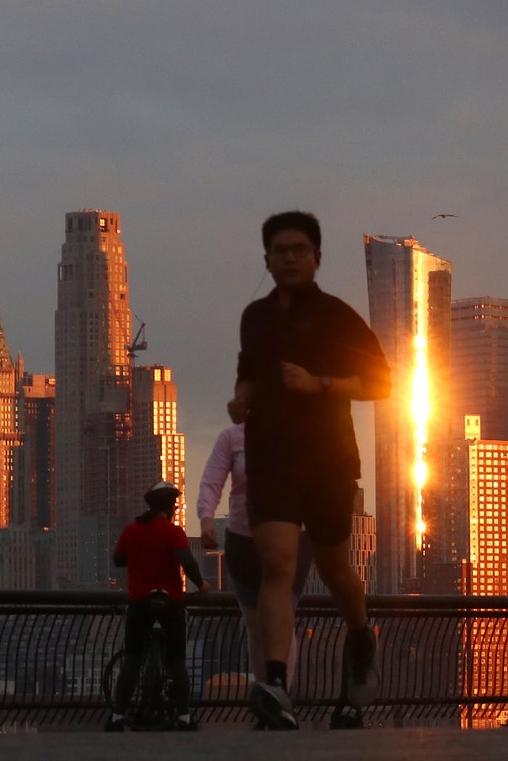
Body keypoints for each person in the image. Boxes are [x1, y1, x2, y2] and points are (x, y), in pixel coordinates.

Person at [234, 211, 393, 730]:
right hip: (270, 460)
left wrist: (319, 384)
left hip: (328, 461)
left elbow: (383, 384)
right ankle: (277, 685)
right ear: (266, 259)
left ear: (317, 258)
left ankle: (361, 633)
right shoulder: (254, 317)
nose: (291, 258)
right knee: (277, 568)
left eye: (300, 249)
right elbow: (249, 375)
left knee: (335, 570)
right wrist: (242, 401)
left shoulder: (337, 317)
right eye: (281, 250)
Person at [196, 395, 312, 684]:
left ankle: (279, 695)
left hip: (291, 539)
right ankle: (266, 692)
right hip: (243, 541)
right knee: (254, 625)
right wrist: (206, 517)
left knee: (283, 618)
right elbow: (212, 480)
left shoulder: (298, 435)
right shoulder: (231, 438)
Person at [107, 481, 208, 731]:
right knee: (176, 662)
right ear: (170, 507)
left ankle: (118, 716)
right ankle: (184, 717)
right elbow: (187, 561)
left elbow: (118, 559)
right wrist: (201, 585)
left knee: (132, 659)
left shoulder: (131, 530)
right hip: (170, 601)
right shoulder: (174, 532)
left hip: (140, 601)